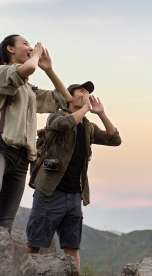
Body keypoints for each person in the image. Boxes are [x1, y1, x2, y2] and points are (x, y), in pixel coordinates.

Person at [0, 34, 72, 230]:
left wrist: (48, 69)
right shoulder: (1, 73)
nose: (30, 48)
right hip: (0, 145)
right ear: (10, 49)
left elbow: (65, 100)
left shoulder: (29, 90)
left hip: (22, 158)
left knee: (6, 220)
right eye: (25, 44)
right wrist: (37, 53)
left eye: (31, 45)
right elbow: (29, 68)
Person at [26, 81, 122, 268]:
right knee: (35, 244)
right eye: (81, 90)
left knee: (71, 248)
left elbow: (115, 139)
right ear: (69, 97)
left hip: (75, 194)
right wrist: (86, 108)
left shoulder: (88, 126)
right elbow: (64, 124)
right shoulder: (55, 116)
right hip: (49, 192)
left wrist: (101, 113)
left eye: (87, 91)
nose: (86, 93)